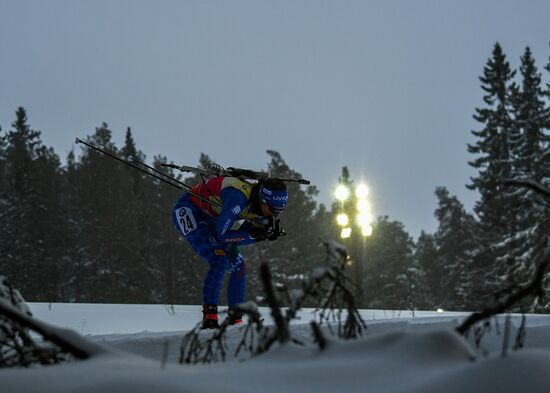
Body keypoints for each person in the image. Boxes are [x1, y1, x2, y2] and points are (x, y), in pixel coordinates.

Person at [172, 175, 288, 329]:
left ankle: (235, 318)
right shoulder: (238, 199)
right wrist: (254, 234)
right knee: (219, 259)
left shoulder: (261, 207)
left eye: (280, 211)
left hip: (213, 218)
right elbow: (223, 235)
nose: (275, 215)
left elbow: (237, 237)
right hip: (189, 210)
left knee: (239, 265)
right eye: (273, 210)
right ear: (263, 201)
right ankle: (210, 317)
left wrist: (261, 235)